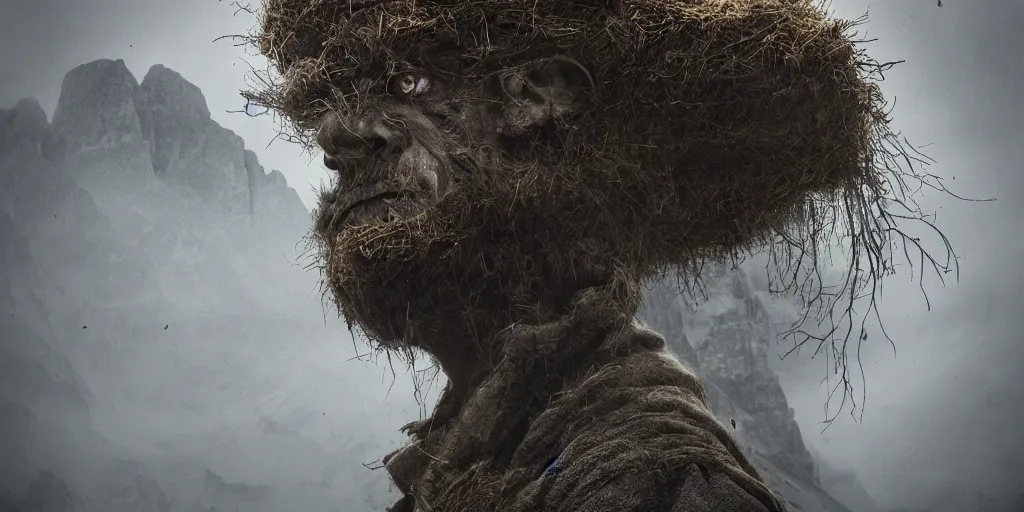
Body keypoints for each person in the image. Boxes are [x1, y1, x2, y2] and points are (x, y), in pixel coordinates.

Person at [245, 1, 895, 509]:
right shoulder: (485, 458)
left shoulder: (651, 477)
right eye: (329, 110)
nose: (335, 137)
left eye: (407, 81)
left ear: (538, 97)